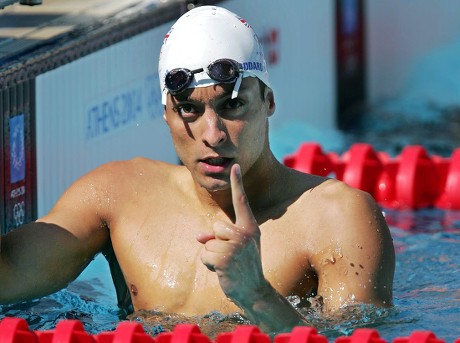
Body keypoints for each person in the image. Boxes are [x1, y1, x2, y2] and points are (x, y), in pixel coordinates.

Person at [0, 5, 395, 334]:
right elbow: (8, 276)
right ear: (166, 114)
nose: (212, 134)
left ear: (268, 102)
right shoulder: (117, 197)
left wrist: (257, 295)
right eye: (189, 108)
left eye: (232, 106)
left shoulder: (338, 218)